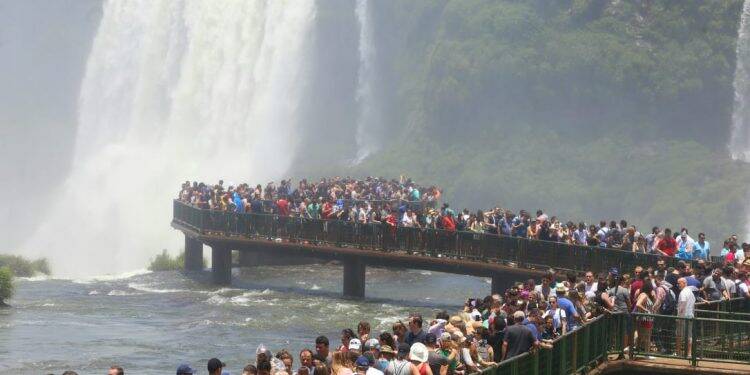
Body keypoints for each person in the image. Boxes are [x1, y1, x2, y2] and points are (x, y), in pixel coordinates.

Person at [634, 280, 655, 355]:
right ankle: (647, 354)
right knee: (647, 338)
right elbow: (638, 304)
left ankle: (637, 352)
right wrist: (646, 310)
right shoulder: (644, 295)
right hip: (645, 319)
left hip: (645, 319)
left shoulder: (645, 295)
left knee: (642, 338)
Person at [676, 277, 696, 357]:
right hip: (690, 315)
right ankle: (689, 353)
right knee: (689, 335)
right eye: (677, 283)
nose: (678, 285)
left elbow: (683, 304)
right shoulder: (690, 291)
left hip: (683, 316)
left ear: (684, 283)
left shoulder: (683, 292)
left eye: (679, 283)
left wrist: (678, 316)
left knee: (679, 335)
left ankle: (678, 353)